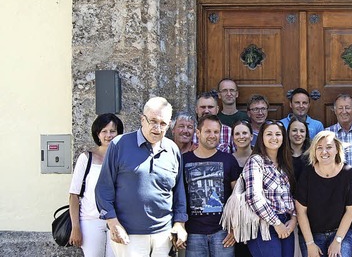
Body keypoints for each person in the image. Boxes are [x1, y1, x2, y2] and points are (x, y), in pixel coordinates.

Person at [96, 97, 188, 257]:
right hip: (129, 234)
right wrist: (113, 223)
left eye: (163, 123)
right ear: (142, 120)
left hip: (163, 235)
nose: (157, 128)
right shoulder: (119, 145)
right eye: (153, 121)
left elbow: (179, 191)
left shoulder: (172, 149)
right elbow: (103, 188)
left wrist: (180, 224)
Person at [183, 114, 241, 257]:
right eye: (208, 131)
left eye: (216, 132)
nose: (212, 135)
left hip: (223, 232)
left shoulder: (229, 160)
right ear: (198, 133)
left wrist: (235, 228)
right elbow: (178, 197)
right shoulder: (184, 160)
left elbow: (238, 196)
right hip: (193, 233)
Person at [296, 131, 352, 257]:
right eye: (319, 148)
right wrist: (310, 243)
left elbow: (350, 211)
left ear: (337, 149)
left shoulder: (347, 172)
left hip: (340, 233)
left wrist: (338, 240)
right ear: (314, 151)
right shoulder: (307, 173)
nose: (324, 152)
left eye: (329, 147)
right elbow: (300, 212)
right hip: (312, 234)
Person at [69, 113, 124, 257]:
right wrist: (75, 227)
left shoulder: (124, 159)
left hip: (117, 221)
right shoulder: (86, 158)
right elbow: (74, 195)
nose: (108, 135)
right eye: (104, 131)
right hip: (90, 221)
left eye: (112, 131)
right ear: (97, 134)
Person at [244, 120, 297, 257]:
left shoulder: (285, 163)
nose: (274, 138)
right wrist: (276, 222)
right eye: (269, 134)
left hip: (286, 223)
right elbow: (253, 196)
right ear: (261, 137)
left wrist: (294, 219)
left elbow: (291, 195)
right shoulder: (256, 161)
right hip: (264, 226)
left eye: (278, 134)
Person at [230, 119, 254, 257]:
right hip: (237, 220)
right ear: (233, 138)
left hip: (258, 218)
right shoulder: (228, 160)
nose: (241, 136)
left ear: (251, 136)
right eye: (237, 133)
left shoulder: (260, 157)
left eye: (245, 133)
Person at [288, 116, 310, 181]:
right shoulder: (281, 153)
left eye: (302, 131)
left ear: (306, 133)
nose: (298, 134)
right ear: (288, 132)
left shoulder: (312, 154)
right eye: (294, 130)